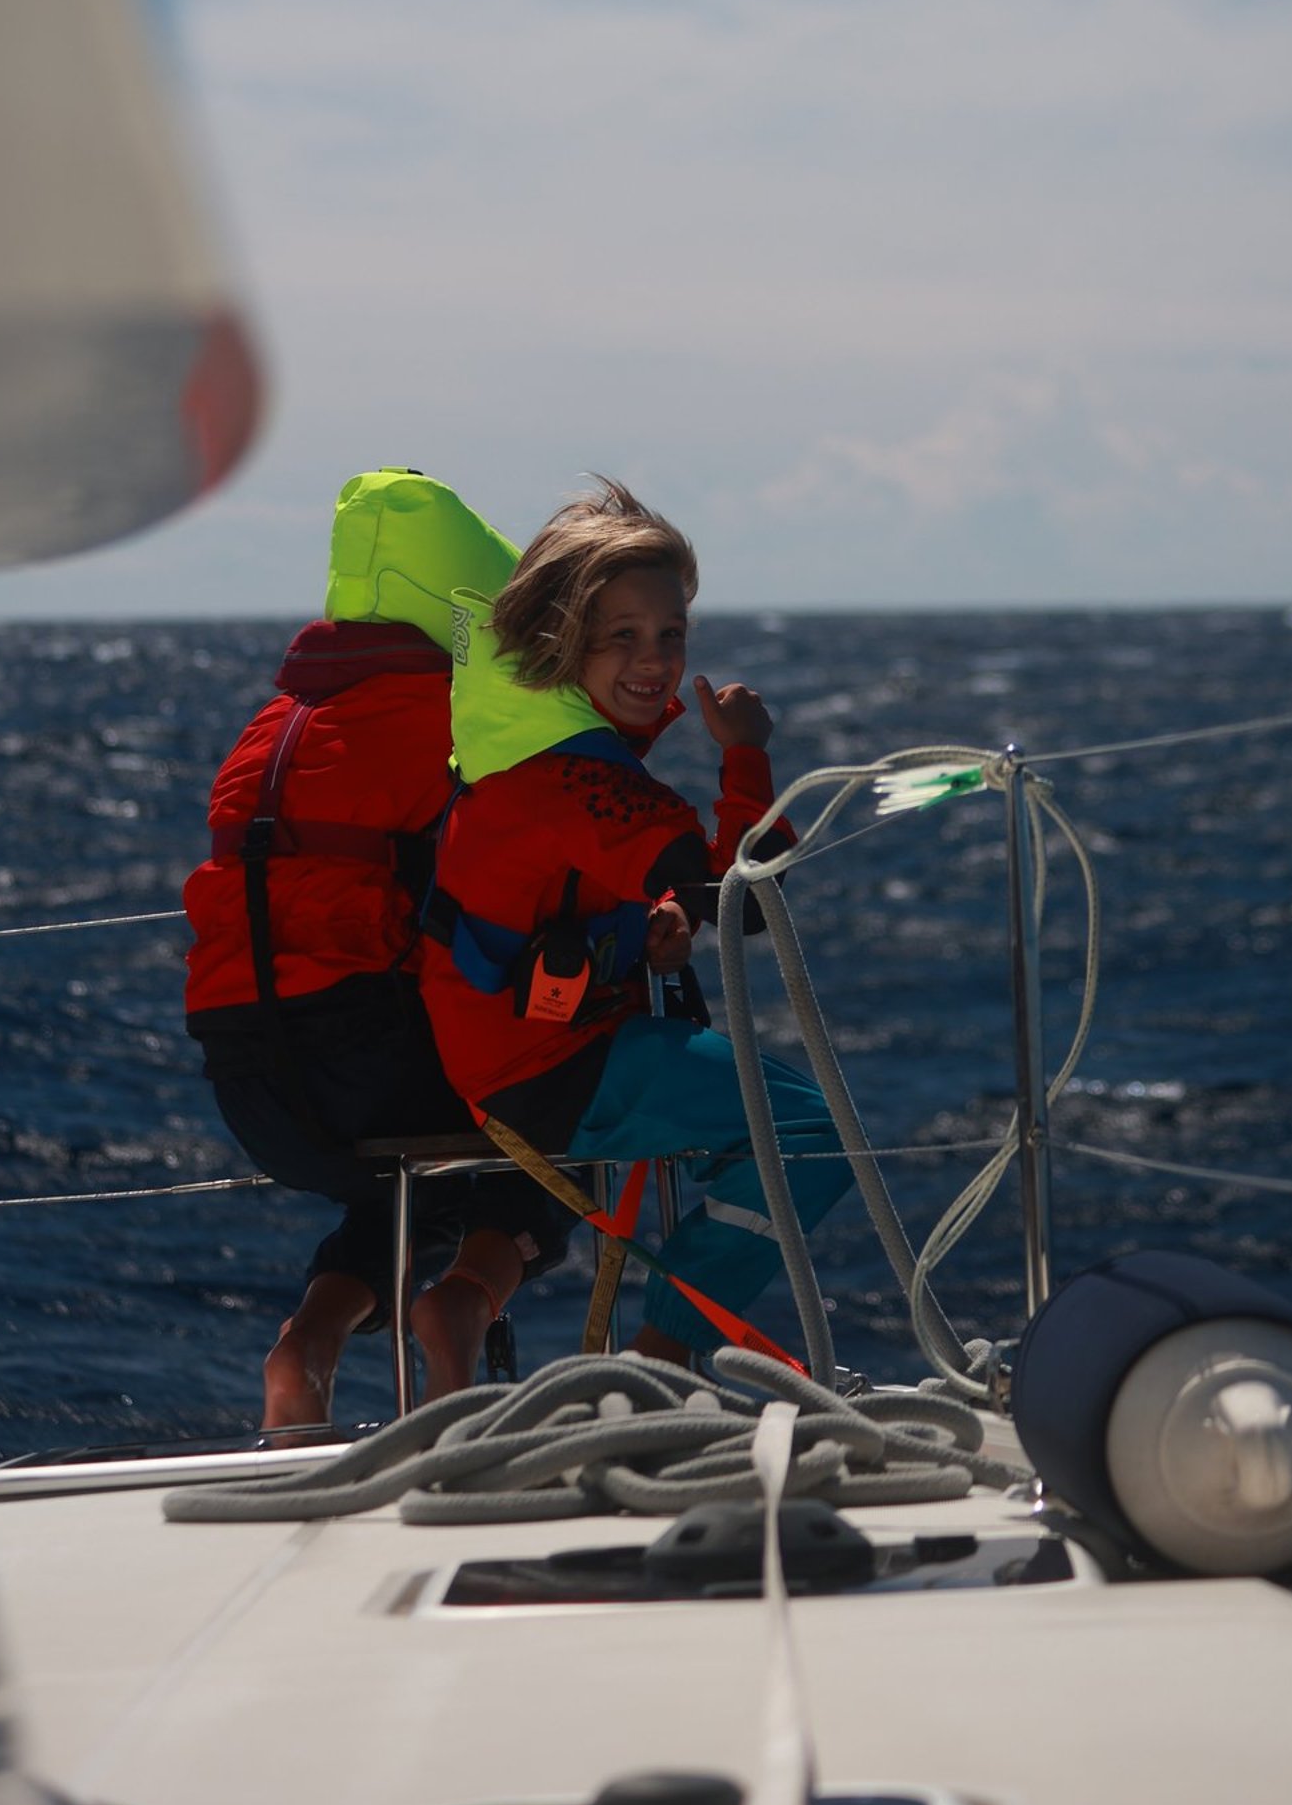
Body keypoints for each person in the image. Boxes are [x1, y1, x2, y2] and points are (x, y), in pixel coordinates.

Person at [419, 478, 850, 1367]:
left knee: (782, 1129)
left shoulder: (528, 752)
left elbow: (607, 884)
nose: (653, 660)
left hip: (512, 1053)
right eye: (622, 637)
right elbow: (749, 900)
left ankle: (660, 1351)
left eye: (669, 635)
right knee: (812, 1138)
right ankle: (660, 1361)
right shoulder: (580, 778)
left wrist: (643, 920)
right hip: (550, 1071)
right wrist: (746, 757)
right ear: (559, 643)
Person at [183, 471, 571, 1429]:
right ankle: (464, 1304)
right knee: (568, 1122)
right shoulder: (454, 723)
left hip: (249, 1087)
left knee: (411, 1185)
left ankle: (312, 1339)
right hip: (368, 1061)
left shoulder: (269, 730)